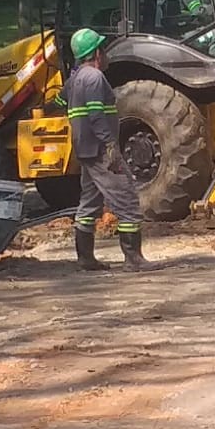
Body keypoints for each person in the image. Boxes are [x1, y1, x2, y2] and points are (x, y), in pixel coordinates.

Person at [64, 28, 151, 271]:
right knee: (127, 199)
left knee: (89, 202)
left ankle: (85, 258)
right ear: (96, 53)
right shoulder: (94, 77)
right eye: (103, 48)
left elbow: (62, 102)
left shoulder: (75, 80)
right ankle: (134, 259)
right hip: (101, 150)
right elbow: (96, 116)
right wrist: (110, 145)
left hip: (85, 149)